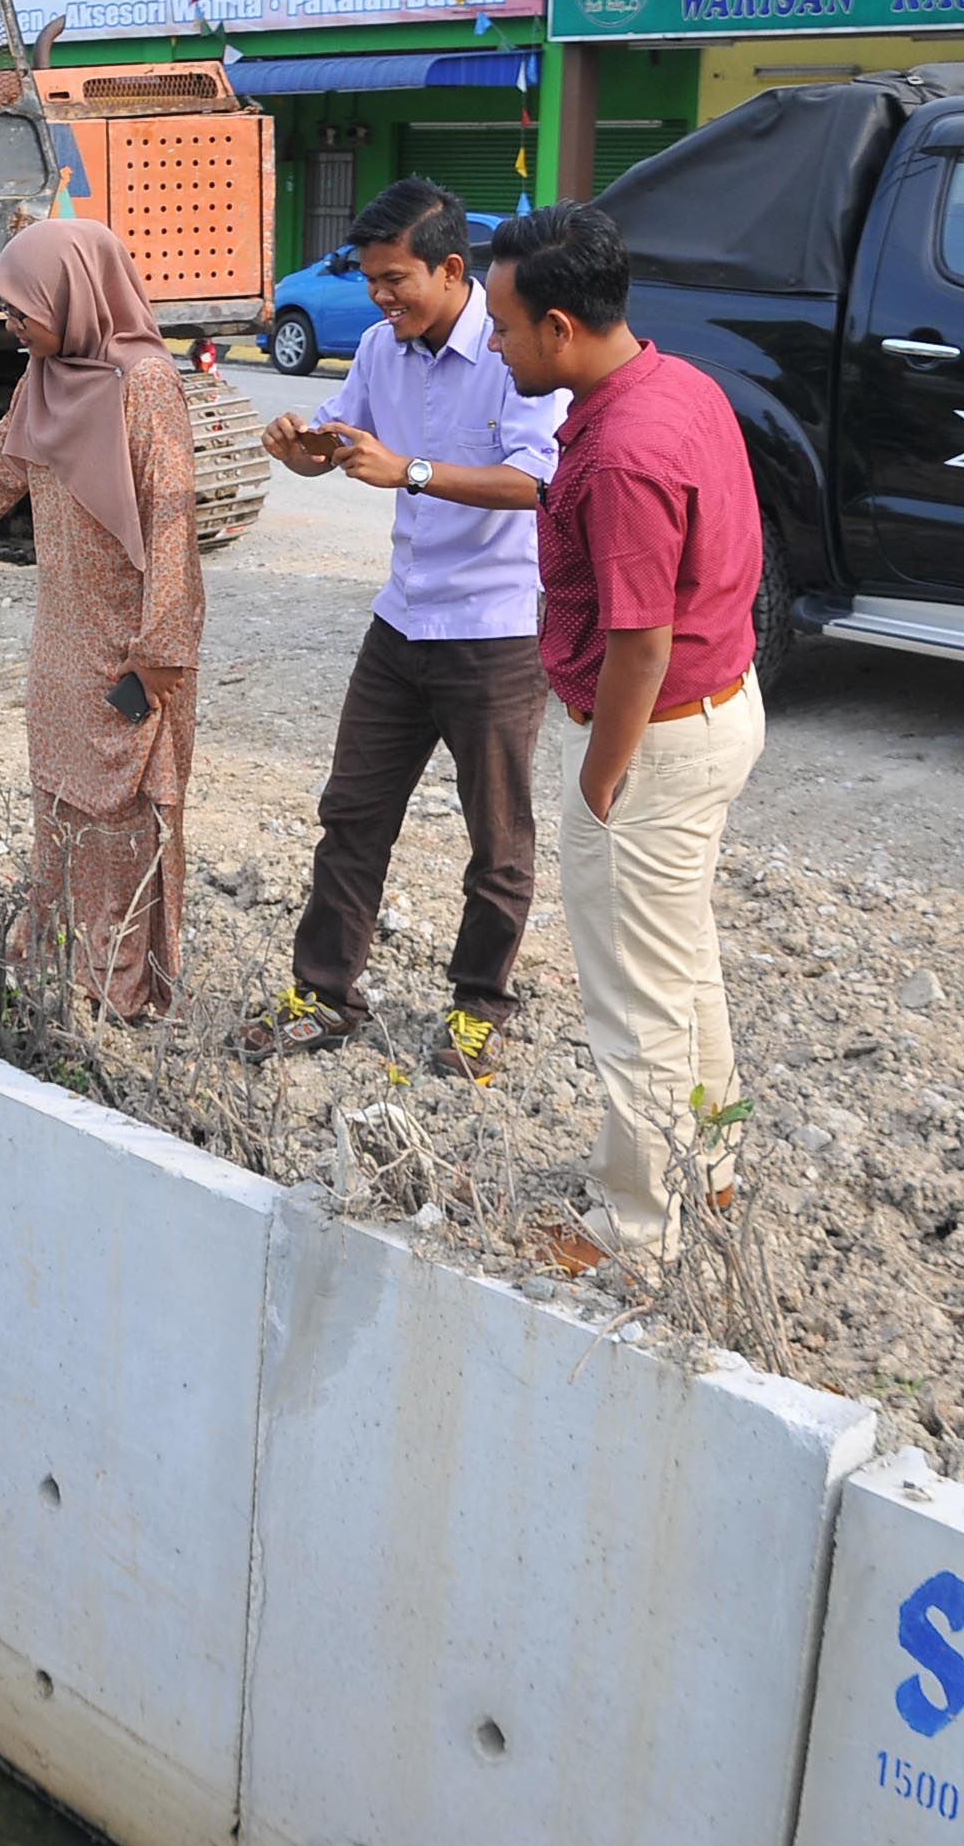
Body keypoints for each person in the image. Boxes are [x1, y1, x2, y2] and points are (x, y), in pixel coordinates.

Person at [238, 179, 570, 1083]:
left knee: (497, 837)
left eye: (396, 278)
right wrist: (305, 449)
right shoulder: (385, 349)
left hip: (495, 630)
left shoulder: (515, 353)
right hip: (402, 620)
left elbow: (537, 483)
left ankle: (478, 1011)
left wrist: (411, 470)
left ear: (451, 268)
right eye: (372, 277)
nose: (381, 296)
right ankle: (324, 995)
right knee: (352, 816)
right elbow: (348, 446)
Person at [483, 199, 764, 1263]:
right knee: (681, 960)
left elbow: (639, 642)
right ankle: (715, 1172)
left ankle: (641, 1231)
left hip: (658, 735)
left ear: (560, 327)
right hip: (718, 710)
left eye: (504, 327)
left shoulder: (623, 454)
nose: (497, 345)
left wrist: (603, 782)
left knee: (634, 998)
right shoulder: (673, 383)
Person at [0, 221, 204, 1018]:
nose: (15, 328)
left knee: (123, 820)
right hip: (62, 641)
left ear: (75, 296)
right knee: (59, 811)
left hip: (131, 650)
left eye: (25, 311)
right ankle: (58, 974)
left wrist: (160, 649)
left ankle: (118, 996)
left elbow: (171, 519)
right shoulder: (46, 380)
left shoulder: (143, 383)